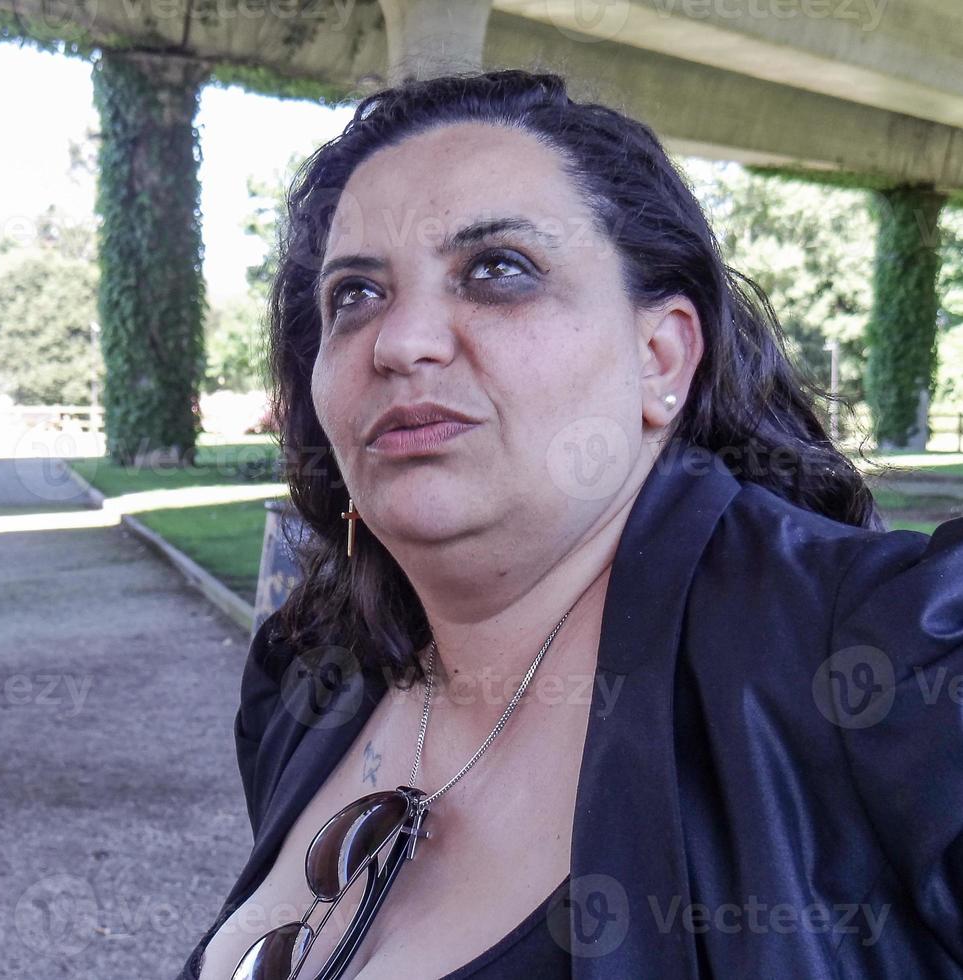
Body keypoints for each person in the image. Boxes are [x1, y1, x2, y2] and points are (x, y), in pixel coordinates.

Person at [181, 69, 963, 979]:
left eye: (496, 270)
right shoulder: (304, 676)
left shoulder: (891, 656)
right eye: (354, 294)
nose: (400, 342)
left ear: (660, 355)